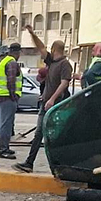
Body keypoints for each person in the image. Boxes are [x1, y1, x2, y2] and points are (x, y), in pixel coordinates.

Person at [14, 26, 73, 173]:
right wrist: (32, 34)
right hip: (46, 103)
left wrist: (52, 99)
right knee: (39, 133)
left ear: (54, 50)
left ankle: (58, 165)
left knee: (52, 136)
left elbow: (64, 83)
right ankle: (30, 163)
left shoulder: (65, 64)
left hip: (57, 104)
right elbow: (40, 47)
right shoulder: (51, 61)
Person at [0, 43, 23, 159]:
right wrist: (13, 96)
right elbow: (11, 81)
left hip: (1, 96)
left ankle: (5, 147)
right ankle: (3, 150)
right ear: (18, 52)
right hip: (7, 97)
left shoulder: (4, 61)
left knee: (5, 124)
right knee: (6, 125)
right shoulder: (12, 62)